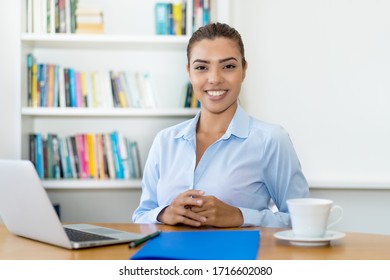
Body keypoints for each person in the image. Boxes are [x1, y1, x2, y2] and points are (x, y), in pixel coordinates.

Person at [132, 22, 309, 228]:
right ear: (189, 72)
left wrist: (240, 217)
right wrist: (164, 214)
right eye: (201, 67)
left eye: (228, 66)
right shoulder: (165, 140)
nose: (214, 78)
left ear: (244, 70)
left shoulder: (271, 140)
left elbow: (303, 221)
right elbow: (141, 216)